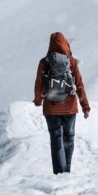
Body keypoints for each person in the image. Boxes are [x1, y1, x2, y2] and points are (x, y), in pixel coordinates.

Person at [33, 32, 90, 174]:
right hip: (70, 108)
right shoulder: (71, 61)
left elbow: (38, 84)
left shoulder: (44, 62)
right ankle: (67, 171)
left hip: (51, 108)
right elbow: (80, 85)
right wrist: (85, 107)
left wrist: (38, 100)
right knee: (68, 138)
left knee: (56, 139)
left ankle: (60, 173)